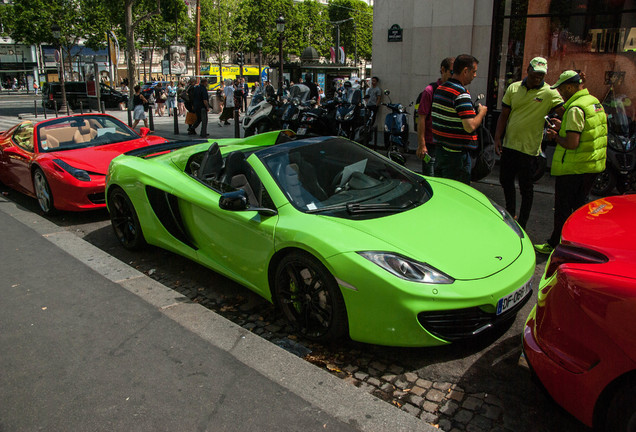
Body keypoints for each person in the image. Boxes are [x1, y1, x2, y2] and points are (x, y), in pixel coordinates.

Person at [534, 71, 608, 254]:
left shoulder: (575, 108)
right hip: (591, 165)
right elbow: (586, 132)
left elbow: (572, 143)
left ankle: (556, 245)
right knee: (580, 208)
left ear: (569, 87)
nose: (559, 93)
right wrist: (564, 126)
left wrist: (555, 136)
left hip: (574, 167)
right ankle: (578, 244)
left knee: (563, 209)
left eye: (560, 88)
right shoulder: (593, 102)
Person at [493, 57, 564, 230]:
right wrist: (497, 137)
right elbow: (504, 114)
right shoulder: (514, 88)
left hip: (530, 149)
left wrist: (561, 124)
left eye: (541, 75)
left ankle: (522, 223)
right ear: (528, 71)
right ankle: (511, 213)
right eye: (535, 74)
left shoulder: (549, 92)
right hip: (510, 145)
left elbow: (565, 110)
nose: (537, 78)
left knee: (526, 187)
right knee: (505, 180)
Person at [431, 54, 487, 185]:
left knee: (443, 192)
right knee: (457, 195)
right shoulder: (460, 93)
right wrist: (481, 113)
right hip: (456, 157)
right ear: (465, 71)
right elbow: (470, 126)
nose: (475, 76)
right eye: (474, 72)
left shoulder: (440, 89)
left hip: (441, 151)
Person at [416, 58, 455, 176]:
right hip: (431, 146)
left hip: (448, 146)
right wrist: (422, 144)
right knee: (431, 181)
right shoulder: (430, 91)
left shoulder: (455, 91)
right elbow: (421, 118)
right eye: (451, 72)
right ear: (443, 70)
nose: (453, 77)